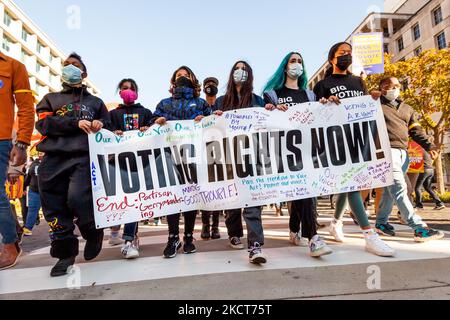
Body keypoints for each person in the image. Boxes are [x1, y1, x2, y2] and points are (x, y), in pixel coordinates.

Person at [313, 42, 395, 257]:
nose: (346, 56)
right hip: (337, 141)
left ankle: (335, 222)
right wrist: (325, 102)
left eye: (349, 53)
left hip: (359, 139)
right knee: (351, 184)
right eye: (342, 53)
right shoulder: (322, 84)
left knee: (348, 184)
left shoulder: (358, 81)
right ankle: (369, 235)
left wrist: (373, 98)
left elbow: (366, 108)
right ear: (332, 58)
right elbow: (317, 112)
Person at [35, 53, 111, 277]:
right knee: (54, 207)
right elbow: (44, 124)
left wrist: (100, 123)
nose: (69, 67)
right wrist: (75, 123)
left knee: (78, 198)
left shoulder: (95, 103)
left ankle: (92, 231)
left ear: (84, 73)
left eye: (75, 65)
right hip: (52, 159)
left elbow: (108, 125)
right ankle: (65, 254)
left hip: (83, 158)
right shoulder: (50, 98)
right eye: (66, 65)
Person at [263, 52, 333, 258]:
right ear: (285, 67)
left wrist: (327, 105)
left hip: (307, 151)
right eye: (293, 61)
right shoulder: (272, 93)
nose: (296, 65)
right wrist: (272, 109)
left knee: (304, 193)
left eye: (300, 61)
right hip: (285, 151)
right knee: (301, 193)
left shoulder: (309, 95)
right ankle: (311, 237)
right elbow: (264, 118)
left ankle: (303, 234)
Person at [375, 77, 444, 242]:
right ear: (380, 88)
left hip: (403, 154)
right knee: (400, 187)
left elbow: (416, 131)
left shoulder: (407, 108)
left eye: (396, 86)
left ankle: (381, 224)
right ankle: (419, 228)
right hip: (385, 152)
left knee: (388, 192)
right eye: (387, 86)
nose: (392, 88)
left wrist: (430, 146)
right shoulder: (374, 104)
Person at [213, 61, 268, 264]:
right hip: (228, 157)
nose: (240, 72)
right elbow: (212, 128)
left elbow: (267, 124)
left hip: (252, 156)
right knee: (233, 201)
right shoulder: (220, 101)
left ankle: (255, 245)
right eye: (237, 68)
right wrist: (215, 117)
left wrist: (269, 110)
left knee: (252, 200)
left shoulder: (257, 100)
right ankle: (234, 231)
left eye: (244, 69)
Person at [154, 66, 211, 259]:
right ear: (173, 81)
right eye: (179, 76)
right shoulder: (164, 103)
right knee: (173, 196)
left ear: (193, 79)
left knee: (190, 196)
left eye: (186, 75)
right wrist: (157, 121)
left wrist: (205, 120)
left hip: (194, 157)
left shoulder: (201, 103)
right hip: (170, 156)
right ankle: (172, 237)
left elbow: (212, 126)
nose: (182, 78)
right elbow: (154, 122)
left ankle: (188, 237)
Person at [109, 78, 156, 259]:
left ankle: (129, 239)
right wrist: (114, 132)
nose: (128, 91)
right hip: (119, 165)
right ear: (119, 92)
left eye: (131, 88)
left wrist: (148, 127)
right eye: (124, 88)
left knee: (134, 201)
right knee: (122, 201)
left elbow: (155, 128)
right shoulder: (113, 114)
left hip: (140, 165)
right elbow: (106, 131)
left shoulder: (145, 112)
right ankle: (117, 232)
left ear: (136, 92)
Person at [0, 50, 35, 270]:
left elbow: (25, 107)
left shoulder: (13, 66)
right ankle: (13, 232)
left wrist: (22, 142)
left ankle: (10, 243)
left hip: (2, 140)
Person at [201, 77, 222, 240]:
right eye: (207, 85)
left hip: (220, 151)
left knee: (218, 190)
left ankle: (215, 225)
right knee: (205, 190)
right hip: (202, 152)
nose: (210, 87)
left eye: (213, 85)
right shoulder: (199, 106)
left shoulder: (221, 104)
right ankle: (205, 225)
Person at [22, 153, 44, 236]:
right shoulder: (33, 164)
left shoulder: (51, 162)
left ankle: (57, 228)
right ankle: (28, 228)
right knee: (32, 210)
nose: (41, 155)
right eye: (40, 153)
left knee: (51, 210)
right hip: (34, 190)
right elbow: (28, 177)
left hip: (47, 191)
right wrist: (24, 188)